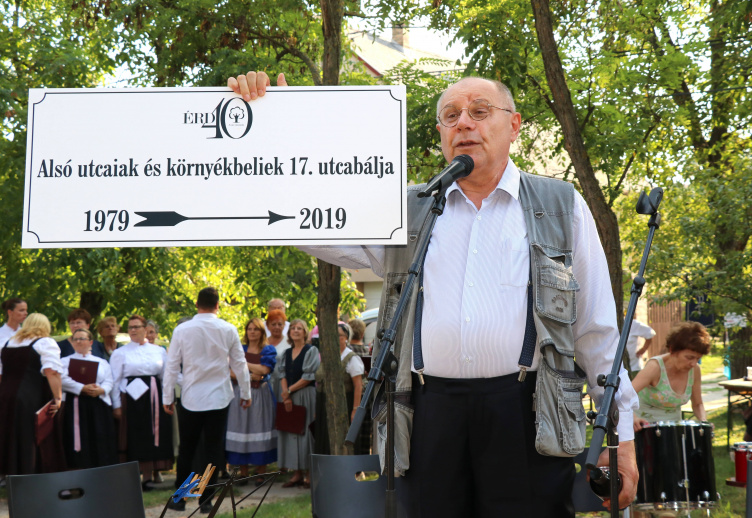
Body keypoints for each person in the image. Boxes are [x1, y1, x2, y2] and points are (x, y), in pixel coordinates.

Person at [228, 71, 639, 515]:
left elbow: (596, 332)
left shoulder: (560, 205)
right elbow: (312, 225)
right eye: (451, 115)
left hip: (528, 416)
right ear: (441, 133)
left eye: (479, 111)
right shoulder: (408, 209)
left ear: (514, 124)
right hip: (427, 416)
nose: (464, 123)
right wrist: (277, 122)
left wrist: (623, 439)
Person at [162, 287, 251, 513]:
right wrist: (246, 393)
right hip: (219, 397)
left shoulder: (182, 330)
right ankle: (206, 500)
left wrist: (168, 396)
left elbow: (172, 365)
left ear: (196, 304)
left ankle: (180, 498)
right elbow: (239, 363)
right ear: (217, 305)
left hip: (191, 397)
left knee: (187, 449)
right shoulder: (228, 329)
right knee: (213, 450)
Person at [110, 314, 173, 491]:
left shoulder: (158, 351)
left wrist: (168, 398)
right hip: (131, 398)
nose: (133, 330)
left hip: (154, 396)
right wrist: (116, 405)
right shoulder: (120, 353)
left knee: (152, 434)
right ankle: (131, 477)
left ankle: (148, 476)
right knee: (134, 434)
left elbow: (165, 376)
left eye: (136, 327)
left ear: (145, 329)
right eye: (130, 327)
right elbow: (115, 380)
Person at [0, 312, 65, 474]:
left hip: (5, 396)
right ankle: (30, 472)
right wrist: (58, 397)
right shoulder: (44, 343)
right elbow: (52, 372)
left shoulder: (8, 343)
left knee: (9, 432)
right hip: (31, 397)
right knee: (30, 434)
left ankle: (9, 473)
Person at [225, 317, 277, 486]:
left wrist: (243, 364)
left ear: (262, 332)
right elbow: (229, 370)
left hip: (260, 394)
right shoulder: (239, 349)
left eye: (256, 329)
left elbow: (264, 369)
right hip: (239, 392)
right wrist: (247, 375)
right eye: (250, 329)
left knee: (260, 428)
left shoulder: (268, 349)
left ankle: (261, 472)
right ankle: (243, 472)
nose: (252, 332)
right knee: (240, 428)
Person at [632, 321, 710, 429]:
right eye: (689, 357)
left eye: (698, 358)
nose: (693, 363)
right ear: (672, 350)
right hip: (643, 429)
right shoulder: (655, 368)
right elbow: (625, 396)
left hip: (674, 430)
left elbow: (697, 404)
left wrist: (704, 422)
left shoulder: (694, 370)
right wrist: (632, 418)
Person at [61, 328, 118, 469]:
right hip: (75, 404)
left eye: (82, 338)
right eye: (75, 339)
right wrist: (81, 388)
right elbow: (62, 379)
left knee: (99, 437)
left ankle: (102, 470)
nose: (78, 342)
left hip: (98, 404)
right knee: (79, 438)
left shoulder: (101, 362)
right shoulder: (64, 361)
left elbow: (109, 380)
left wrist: (101, 390)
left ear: (90, 342)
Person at [278, 319, 320, 488]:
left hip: (305, 395)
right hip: (289, 397)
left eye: (299, 328)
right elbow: (282, 374)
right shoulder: (286, 353)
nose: (295, 330)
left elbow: (308, 377)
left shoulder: (311, 350)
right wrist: (286, 396)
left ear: (305, 332)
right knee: (292, 432)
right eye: (293, 328)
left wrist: (289, 390)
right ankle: (297, 473)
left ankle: (309, 474)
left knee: (306, 433)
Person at [314, 322, 365, 455]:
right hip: (324, 402)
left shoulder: (351, 358)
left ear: (346, 338)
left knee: (342, 437)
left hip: (344, 403)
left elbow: (358, 385)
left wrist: (355, 409)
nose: (335, 338)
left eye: (339, 335)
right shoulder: (328, 356)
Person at [266, 309, 290, 399]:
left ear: (284, 326)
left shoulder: (289, 343)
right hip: (266, 384)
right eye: (273, 324)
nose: (277, 327)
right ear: (268, 326)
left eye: (280, 324)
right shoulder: (263, 343)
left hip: (283, 384)